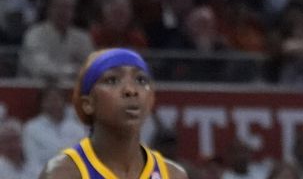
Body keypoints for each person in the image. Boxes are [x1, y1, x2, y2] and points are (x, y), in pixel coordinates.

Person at [35, 49, 189, 179]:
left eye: (141, 80)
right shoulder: (63, 173)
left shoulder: (173, 174)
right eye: (112, 80)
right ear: (88, 104)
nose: (131, 90)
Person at [22, 84, 85, 176]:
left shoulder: (77, 129)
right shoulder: (31, 128)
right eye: (49, 99)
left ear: (64, 101)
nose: (54, 103)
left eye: (57, 99)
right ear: (42, 103)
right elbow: (32, 162)